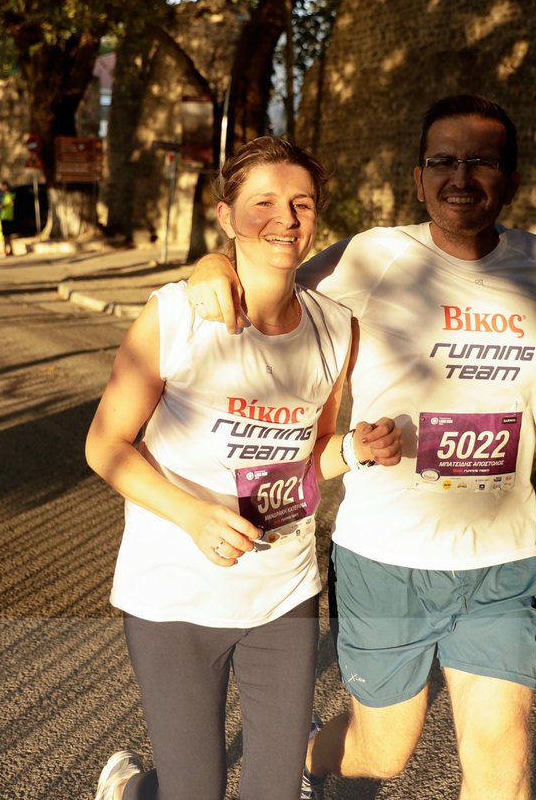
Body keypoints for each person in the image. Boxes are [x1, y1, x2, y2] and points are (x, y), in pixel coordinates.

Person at [188, 96, 536, 799]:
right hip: (387, 561)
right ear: (419, 178)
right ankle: (297, 762)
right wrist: (211, 265)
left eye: (481, 162)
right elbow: (270, 282)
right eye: (443, 161)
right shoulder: (374, 256)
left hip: (501, 558)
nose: (460, 177)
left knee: (503, 765)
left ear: (510, 179)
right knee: (382, 754)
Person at [85, 137, 401, 800]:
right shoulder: (177, 314)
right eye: (264, 203)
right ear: (226, 215)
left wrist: (354, 450)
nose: (285, 218)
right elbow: (106, 443)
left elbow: (310, 452)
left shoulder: (336, 328)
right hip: (175, 594)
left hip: (283, 592)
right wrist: (194, 517)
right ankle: (131, 791)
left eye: (301, 203)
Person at [0, 180, 16, 256]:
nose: (1, 188)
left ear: (5, 187)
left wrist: (0, 206)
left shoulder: (7, 196)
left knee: (5, 235)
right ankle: (10, 250)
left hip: (6, 217)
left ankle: (5, 251)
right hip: (6, 217)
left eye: (2, 186)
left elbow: (4, 205)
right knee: (7, 235)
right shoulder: (6, 195)